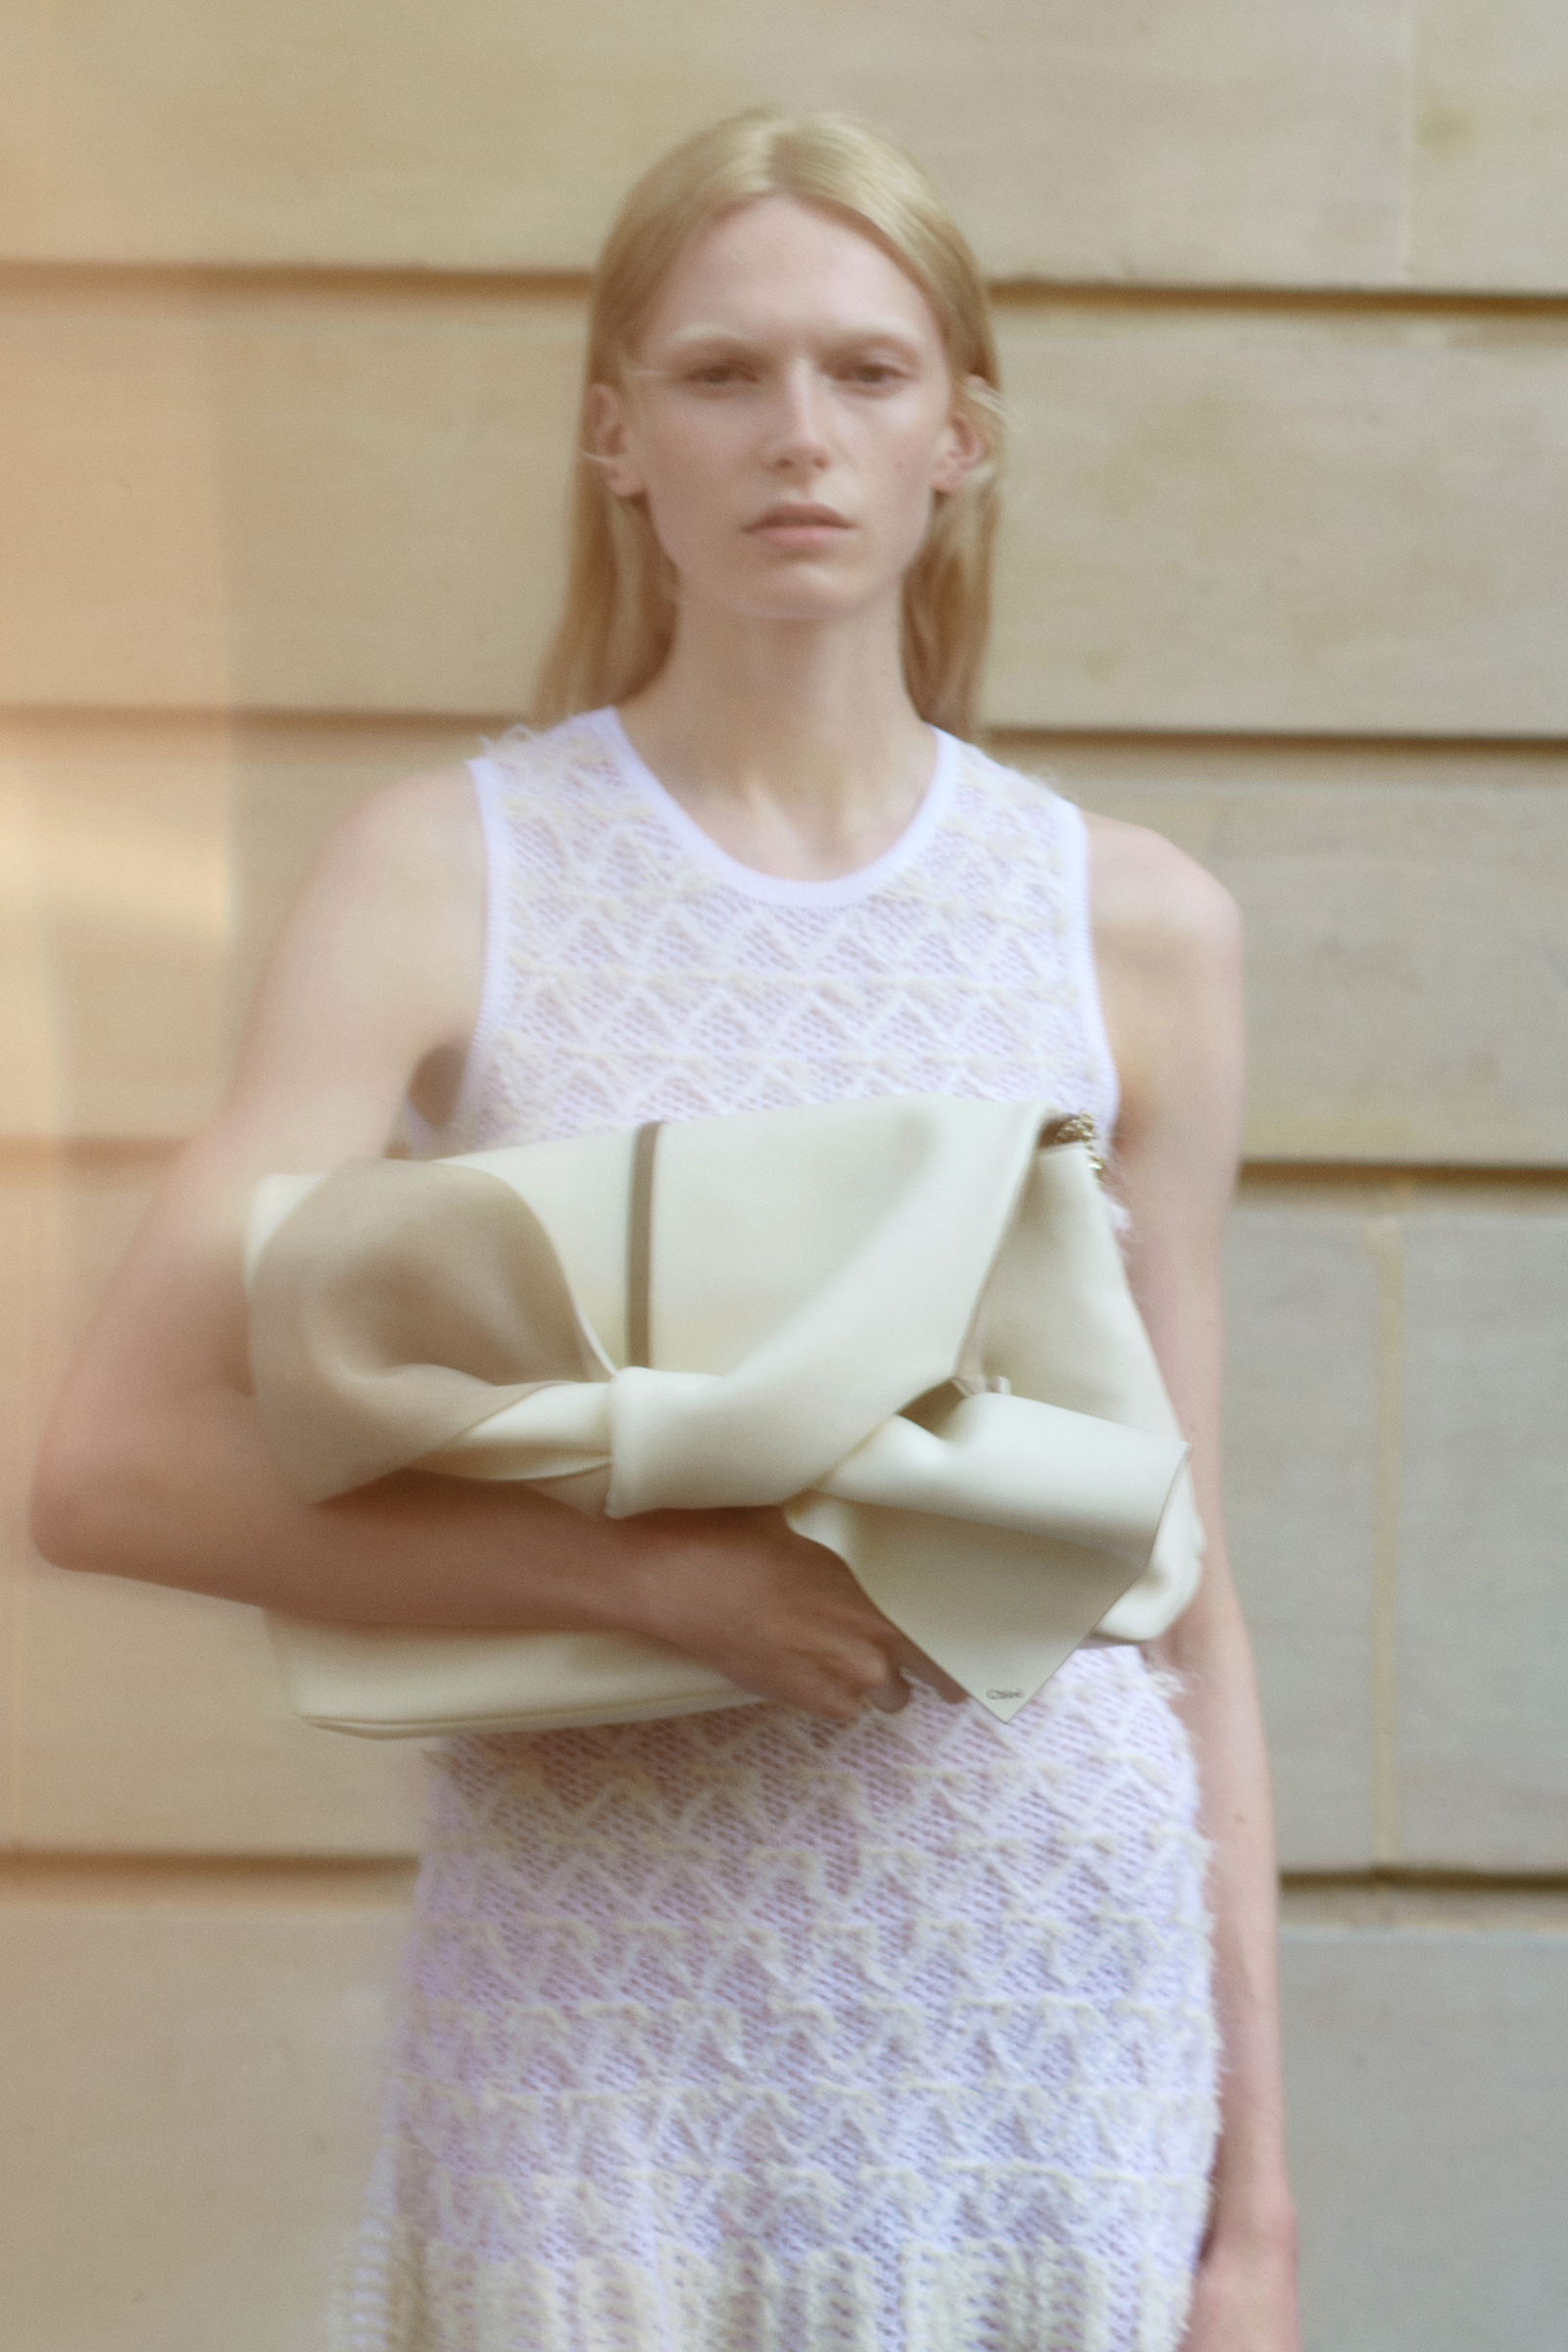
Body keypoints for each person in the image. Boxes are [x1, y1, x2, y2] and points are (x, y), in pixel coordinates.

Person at [31, 110, 1298, 2352]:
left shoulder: (1137, 929)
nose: (796, 433)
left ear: (960, 434)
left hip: (1048, 2016)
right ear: (614, 434)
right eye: (721, 374)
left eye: (864, 372)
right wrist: (653, 1585)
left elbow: (1183, 1607)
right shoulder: (445, 872)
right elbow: (111, 1468)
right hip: (599, 2007)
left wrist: (1254, 2221)